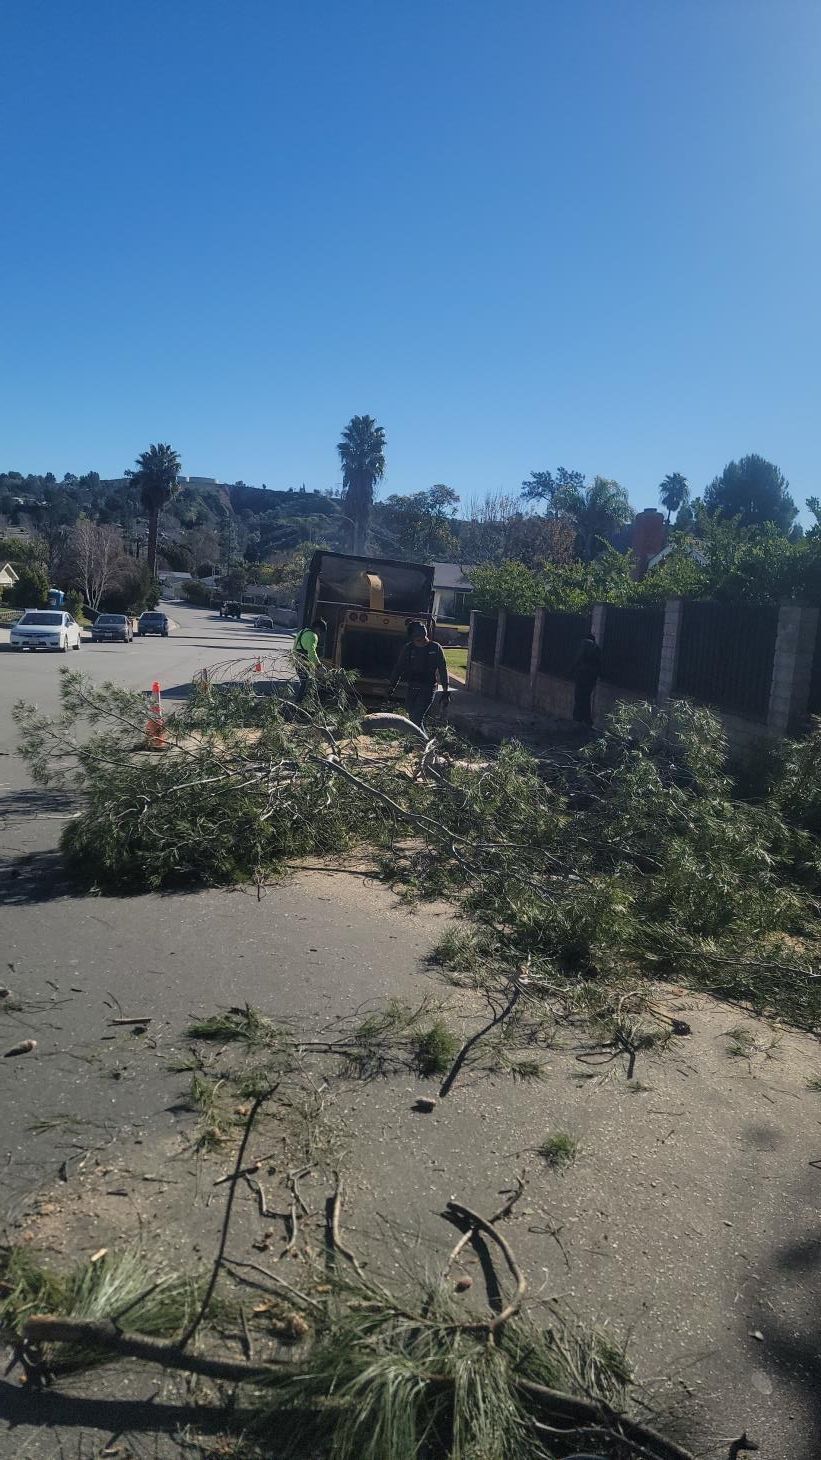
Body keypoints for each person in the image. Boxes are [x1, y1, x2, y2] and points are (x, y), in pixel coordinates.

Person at [387, 621, 449, 727]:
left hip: (428, 688)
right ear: (412, 637)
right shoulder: (408, 648)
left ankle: (422, 742)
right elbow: (399, 668)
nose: (419, 642)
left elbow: (443, 670)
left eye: (421, 639)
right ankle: (422, 741)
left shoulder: (435, 648)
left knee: (416, 718)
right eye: (416, 639)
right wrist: (392, 686)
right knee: (412, 718)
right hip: (412, 686)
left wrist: (445, 692)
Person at [293, 617, 327, 701]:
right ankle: (299, 703)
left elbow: (294, 647)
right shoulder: (313, 636)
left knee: (304, 681)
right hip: (304, 660)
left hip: (296, 659)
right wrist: (318, 665)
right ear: (317, 628)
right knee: (306, 683)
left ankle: (302, 701)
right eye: (320, 632)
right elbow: (312, 652)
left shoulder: (302, 632)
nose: (320, 634)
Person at [572, 632, 601, 726]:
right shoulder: (596, 648)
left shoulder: (583, 645)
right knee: (586, 697)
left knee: (579, 697)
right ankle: (587, 720)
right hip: (591, 678)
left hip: (581, 675)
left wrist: (571, 670)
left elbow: (578, 659)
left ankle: (578, 719)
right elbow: (599, 664)